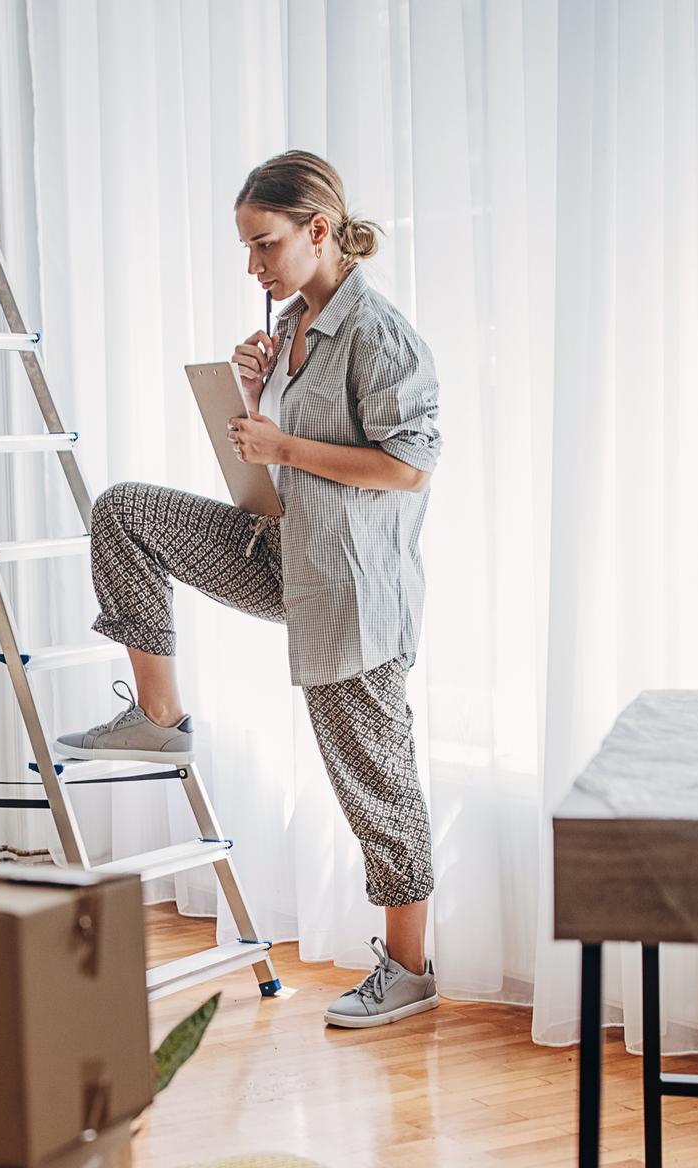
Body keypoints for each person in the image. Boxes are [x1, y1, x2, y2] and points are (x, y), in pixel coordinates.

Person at [54, 150, 443, 1029]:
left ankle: (411, 969)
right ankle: (158, 720)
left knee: (374, 783)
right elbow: (275, 451)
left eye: (264, 244)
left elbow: (409, 469)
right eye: (247, 248)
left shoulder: (378, 335)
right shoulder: (297, 324)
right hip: (282, 550)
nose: (254, 266)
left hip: (349, 590)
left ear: (317, 231)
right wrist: (258, 390)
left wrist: (285, 447)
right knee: (126, 514)